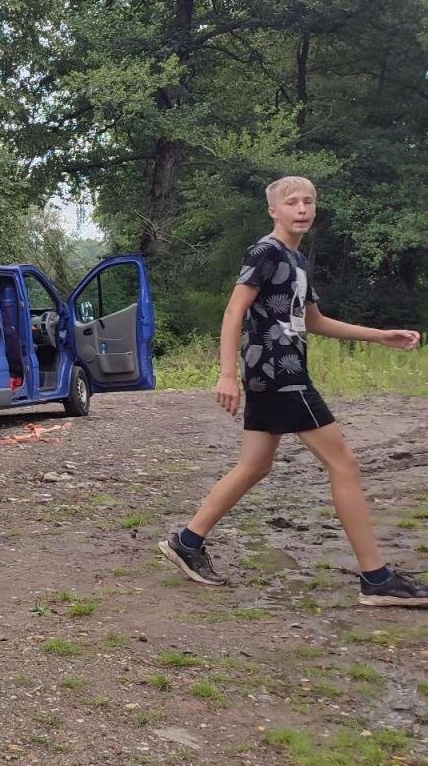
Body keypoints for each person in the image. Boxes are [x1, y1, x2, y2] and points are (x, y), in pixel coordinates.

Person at [159, 176, 427, 607]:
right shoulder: (265, 252)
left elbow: (314, 321)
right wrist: (226, 374)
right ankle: (377, 579)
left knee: (254, 465)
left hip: (277, 373)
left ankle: (187, 542)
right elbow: (234, 311)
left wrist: (380, 336)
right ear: (273, 210)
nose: (301, 208)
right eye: (291, 202)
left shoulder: (296, 259)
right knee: (344, 463)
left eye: (308, 201)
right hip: (280, 373)